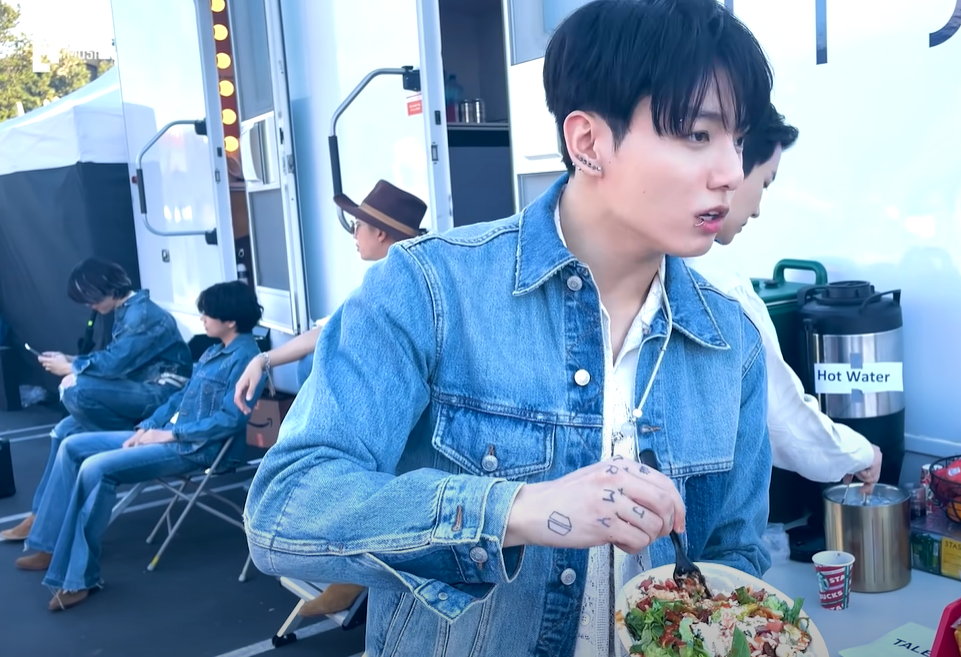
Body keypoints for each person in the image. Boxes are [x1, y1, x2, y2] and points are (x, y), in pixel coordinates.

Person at [242, 0, 775, 655]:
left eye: (737, 139)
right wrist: (516, 509)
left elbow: (734, 553)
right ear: (588, 143)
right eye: (697, 134)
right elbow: (285, 508)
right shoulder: (430, 289)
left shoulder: (730, 341)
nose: (731, 172)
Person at [231, 180, 427, 618]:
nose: (353, 234)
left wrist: (265, 360)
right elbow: (327, 330)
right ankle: (354, 579)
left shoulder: (393, 281)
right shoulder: (399, 274)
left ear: (380, 232)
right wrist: (265, 358)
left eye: (358, 226)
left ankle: (355, 577)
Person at [14, 281, 264, 612]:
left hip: (195, 449)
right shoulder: (213, 350)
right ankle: (50, 545)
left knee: (96, 468)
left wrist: (170, 435)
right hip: (168, 435)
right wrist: (149, 426)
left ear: (230, 320)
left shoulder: (248, 359)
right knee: (72, 445)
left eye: (208, 313)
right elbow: (179, 397)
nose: (202, 318)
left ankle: (78, 577)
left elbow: (231, 420)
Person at [685, 103, 884, 493]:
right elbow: (783, 418)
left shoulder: (665, 258)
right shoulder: (718, 279)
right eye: (765, 182)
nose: (758, 209)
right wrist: (862, 454)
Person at [1, 258, 192, 543]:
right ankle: (41, 517)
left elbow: (115, 364)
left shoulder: (141, 315)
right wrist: (71, 360)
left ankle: (119, 436)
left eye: (91, 298)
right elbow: (117, 359)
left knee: (75, 391)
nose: (89, 305)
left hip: (162, 394)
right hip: (141, 387)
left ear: (109, 288)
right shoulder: (129, 310)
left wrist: (72, 367)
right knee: (64, 430)